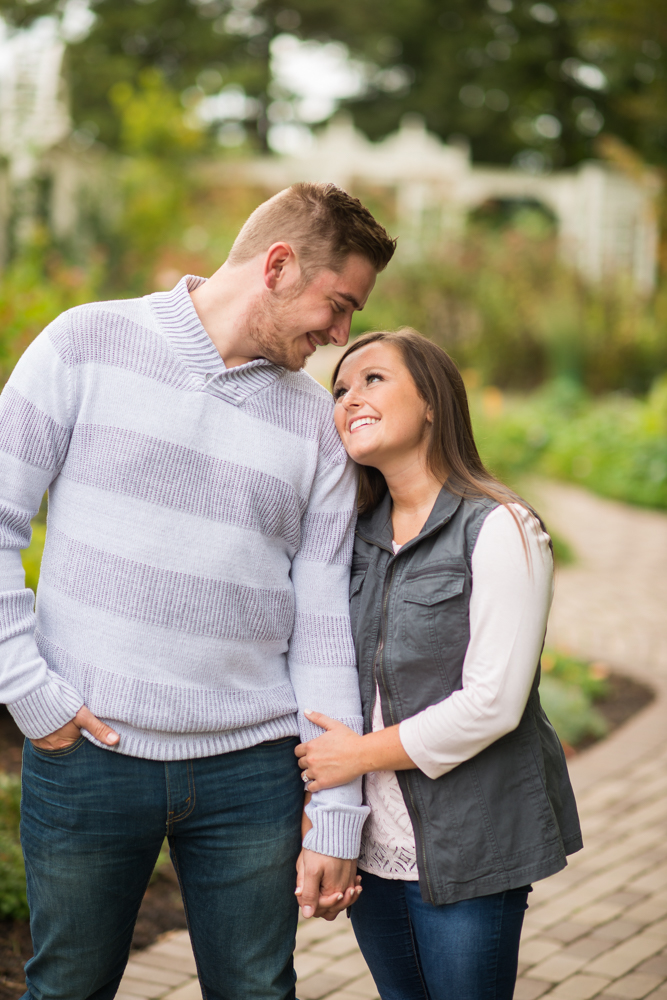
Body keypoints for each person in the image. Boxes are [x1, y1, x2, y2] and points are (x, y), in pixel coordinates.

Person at [0, 183, 396, 1000]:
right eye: (339, 304)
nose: (340, 336)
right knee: (67, 987)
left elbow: (323, 621)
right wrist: (27, 692)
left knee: (257, 991)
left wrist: (335, 810)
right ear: (279, 266)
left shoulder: (312, 427)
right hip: (88, 755)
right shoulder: (86, 344)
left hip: (252, 770)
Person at [295, 329, 583, 1000]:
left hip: (471, 844)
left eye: (372, 380)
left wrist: (357, 756)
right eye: (338, 389)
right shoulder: (349, 537)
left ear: (431, 403)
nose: (348, 398)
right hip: (372, 845)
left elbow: (493, 702)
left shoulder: (499, 527)